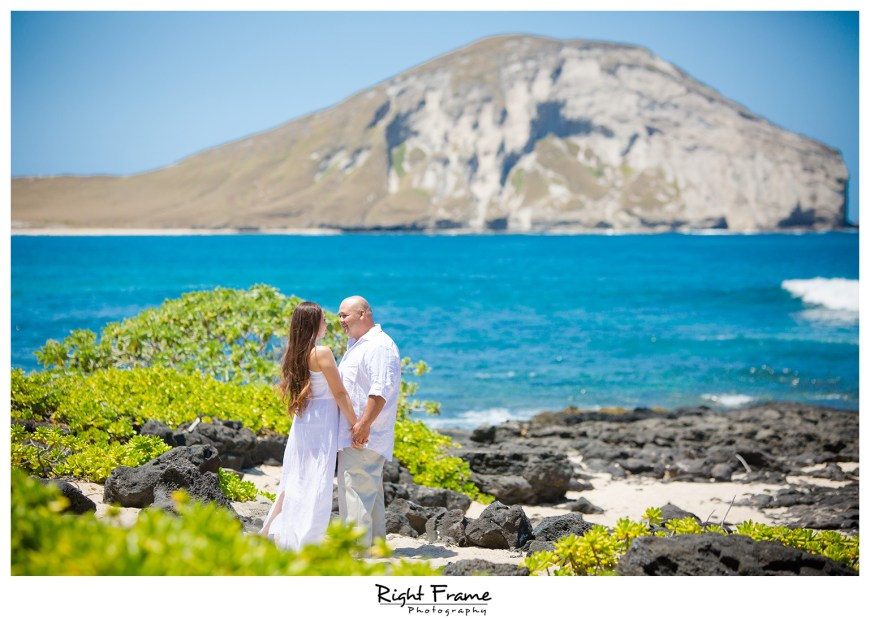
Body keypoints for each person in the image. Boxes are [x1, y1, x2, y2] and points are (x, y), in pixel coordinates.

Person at [259, 301, 360, 551]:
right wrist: (357, 424)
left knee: (294, 478)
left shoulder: (296, 353)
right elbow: (340, 393)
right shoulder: (322, 352)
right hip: (321, 423)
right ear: (314, 323)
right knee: (316, 480)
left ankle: (270, 528)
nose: (328, 323)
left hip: (304, 421)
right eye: (324, 319)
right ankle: (305, 539)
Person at [336, 295, 401, 550]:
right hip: (359, 433)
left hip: (364, 435)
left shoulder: (378, 345)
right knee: (368, 497)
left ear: (363, 314)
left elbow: (380, 390)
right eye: (339, 316)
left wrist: (363, 425)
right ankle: (374, 551)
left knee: (355, 496)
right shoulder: (358, 343)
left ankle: (357, 556)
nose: (341, 321)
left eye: (345, 315)